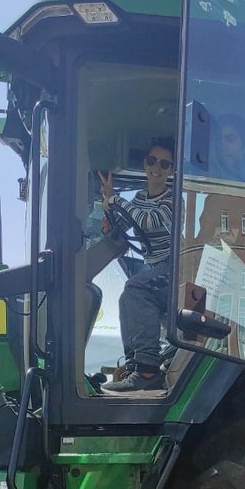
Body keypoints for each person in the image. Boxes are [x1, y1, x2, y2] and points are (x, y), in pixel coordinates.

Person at [98, 139, 174, 393]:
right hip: (155, 270)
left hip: (174, 269)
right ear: (145, 164)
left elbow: (148, 221)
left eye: (164, 164)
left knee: (136, 287)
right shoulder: (140, 197)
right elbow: (125, 223)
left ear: (171, 170)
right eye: (152, 161)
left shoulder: (172, 200)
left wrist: (116, 200)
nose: (157, 167)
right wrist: (109, 212)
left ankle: (147, 370)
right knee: (126, 298)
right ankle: (134, 365)